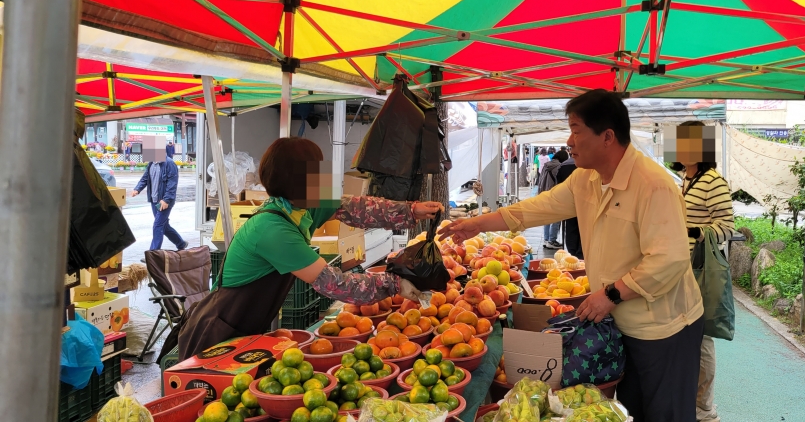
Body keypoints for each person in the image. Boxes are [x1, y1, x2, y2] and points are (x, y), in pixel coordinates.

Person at [440, 89, 704, 421]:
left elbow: (670, 259)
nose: (570, 140)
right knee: (633, 409)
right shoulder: (587, 179)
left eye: (577, 130)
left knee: (667, 414)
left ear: (607, 137)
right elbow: (537, 208)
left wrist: (610, 294)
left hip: (664, 329)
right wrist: (477, 223)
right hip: (622, 324)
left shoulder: (653, 185)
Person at [170, 137, 442, 360]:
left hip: (249, 329)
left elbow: (356, 207)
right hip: (218, 334)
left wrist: (410, 211)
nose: (322, 178)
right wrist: (394, 285)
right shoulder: (273, 230)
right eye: (315, 171)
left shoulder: (302, 202)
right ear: (297, 180)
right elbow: (335, 284)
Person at [670, 122, 735, 422]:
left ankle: (704, 408)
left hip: (701, 269)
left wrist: (694, 231)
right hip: (683, 268)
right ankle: (691, 401)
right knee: (688, 334)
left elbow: (726, 228)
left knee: (702, 335)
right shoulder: (685, 179)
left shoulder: (713, 181)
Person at [131, 151, 188, 259]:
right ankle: (181, 244)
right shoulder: (151, 163)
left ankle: (153, 254)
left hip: (164, 202)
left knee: (157, 226)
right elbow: (145, 178)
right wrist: (137, 189)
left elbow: (172, 183)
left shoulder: (169, 163)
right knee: (164, 226)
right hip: (154, 200)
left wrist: (166, 200)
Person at [539, 150, 568, 249]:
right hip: (554, 194)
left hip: (544, 193)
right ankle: (552, 240)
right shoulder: (559, 167)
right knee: (556, 218)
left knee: (547, 218)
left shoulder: (547, 165)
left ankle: (546, 239)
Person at [555, 151, 582, 258]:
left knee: (571, 228)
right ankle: (580, 254)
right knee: (583, 229)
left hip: (569, 203)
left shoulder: (563, 166)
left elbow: (558, 186)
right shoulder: (587, 167)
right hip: (584, 204)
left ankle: (572, 252)